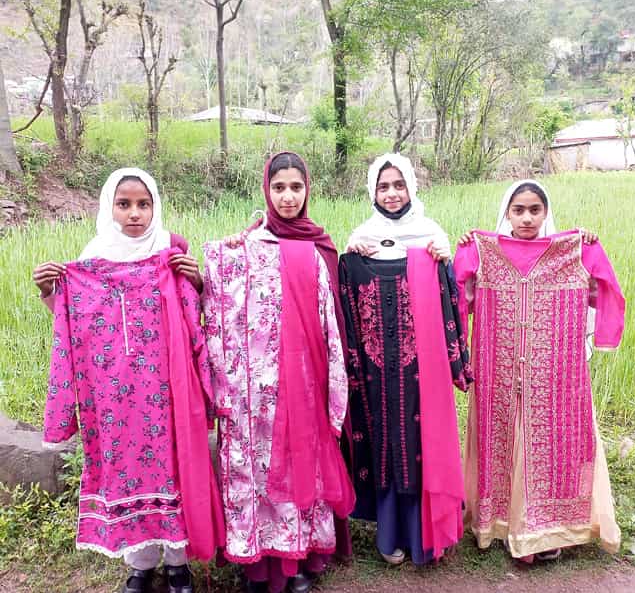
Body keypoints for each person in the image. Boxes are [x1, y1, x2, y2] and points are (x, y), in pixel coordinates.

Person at [34, 168, 225, 593]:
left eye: (144, 204)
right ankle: (140, 565)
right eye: (124, 204)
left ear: (156, 207)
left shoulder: (170, 253)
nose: (134, 213)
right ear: (109, 207)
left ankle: (178, 565)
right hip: (113, 394)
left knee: (173, 466)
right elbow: (74, 320)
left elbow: (200, 314)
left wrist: (195, 280)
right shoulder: (92, 258)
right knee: (125, 468)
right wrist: (50, 291)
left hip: (167, 388)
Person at [202, 152, 355, 593]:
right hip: (251, 392)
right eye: (279, 188)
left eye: (296, 187)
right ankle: (258, 564)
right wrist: (205, 268)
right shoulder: (244, 247)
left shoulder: (317, 247)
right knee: (254, 471)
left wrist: (330, 392)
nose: (288, 197)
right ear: (265, 192)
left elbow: (331, 325)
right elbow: (217, 302)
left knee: (299, 466)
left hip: (302, 384)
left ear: (309, 190)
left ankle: (297, 558)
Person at [454, 179, 624, 564]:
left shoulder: (573, 251)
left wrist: (605, 334)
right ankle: (500, 524)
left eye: (535, 210)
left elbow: (606, 289)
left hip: (554, 374)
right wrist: (464, 249)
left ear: (546, 212)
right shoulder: (484, 252)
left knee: (551, 443)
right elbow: (456, 293)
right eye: (519, 210)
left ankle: (548, 529)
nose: (527, 218)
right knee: (500, 438)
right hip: (498, 368)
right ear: (507, 213)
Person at [340, 153, 472, 566]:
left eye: (399, 185)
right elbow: (344, 301)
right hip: (376, 373)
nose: (392, 193)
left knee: (420, 443)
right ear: (372, 192)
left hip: (421, 370)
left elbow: (454, 302)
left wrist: (445, 263)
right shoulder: (362, 238)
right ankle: (388, 534)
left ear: (412, 187)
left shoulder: (430, 235)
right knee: (384, 442)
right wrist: (350, 253)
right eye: (383, 186)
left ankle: (424, 536)